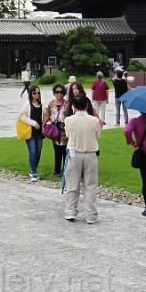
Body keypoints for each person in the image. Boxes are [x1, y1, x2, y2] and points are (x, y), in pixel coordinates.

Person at [64, 95, 103, 224]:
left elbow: (68, 135)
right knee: (90, 185)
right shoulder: (94, 120)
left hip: (74, 154)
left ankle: (70, 211)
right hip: (90, 153)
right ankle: (91, 215)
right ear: (86, 105)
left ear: (73, 106)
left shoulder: (68, 120)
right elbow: (98, 135)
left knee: (72, 184)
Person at [44, 86, 69, 176]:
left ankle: (65, 169)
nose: (59, 94)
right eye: (57, 92)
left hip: (64, 129)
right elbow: (47, 114)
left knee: (65, 150)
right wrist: (43, 125)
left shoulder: (67, 103)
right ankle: (57, 170)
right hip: (55, 129)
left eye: (61, 92)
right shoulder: (51, 103)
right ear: (54, 93)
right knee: (57, 150)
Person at [21, 85, 45, 181]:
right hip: (30, 131)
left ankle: (34, 169)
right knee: (33, 151)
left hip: (39, 132)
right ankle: (34, 172)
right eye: (34, 93)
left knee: (38, 151)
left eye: (38, 93)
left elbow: (44, 116)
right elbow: (22, 117)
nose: (37, 95)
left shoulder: (40, 104)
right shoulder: (27, 103)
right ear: (31, 94)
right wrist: (33, 123)